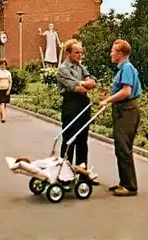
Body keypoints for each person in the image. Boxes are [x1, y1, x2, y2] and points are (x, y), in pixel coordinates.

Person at [100, 39, 142, 197]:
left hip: (127, 109)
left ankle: (130, 186)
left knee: (123, 148)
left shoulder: (127, 68)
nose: (111, 53)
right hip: (123, 109)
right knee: (120, 147)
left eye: (113, 51)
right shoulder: (123, 69)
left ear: (120, 53)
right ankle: (124, 182)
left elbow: (126, 91)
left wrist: (108, 100)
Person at [57, 39, 97, 169]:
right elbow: (76, 88)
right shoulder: (63, 69)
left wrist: (83, 83)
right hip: (71, 103)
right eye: (76, 52)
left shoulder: (81, 67)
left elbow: (92, 82)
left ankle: (81, 171)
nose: (80, 55)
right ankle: (65, 170)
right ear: (68, 53)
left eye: (81, 52)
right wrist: (84, 84)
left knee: (82, 139)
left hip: (83, 103)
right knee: (69, 138)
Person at [0, 59, 12, 123]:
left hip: (6, 90)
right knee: (2, 103)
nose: (3, 66)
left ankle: (1, 114)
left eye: (4, 65)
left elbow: (10, 82)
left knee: (4, 104)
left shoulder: (8, 72)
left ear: (6, 65)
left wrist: (9, 89)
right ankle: (4, 117)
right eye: (1, 65)